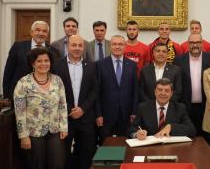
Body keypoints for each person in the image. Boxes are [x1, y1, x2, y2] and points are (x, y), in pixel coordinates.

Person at [13, 48, 68, 169]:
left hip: (55, 130)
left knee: (58, 164)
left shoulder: (57, 80)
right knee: (37, 165)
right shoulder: (23, 83)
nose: (43, 64)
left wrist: (64, 127)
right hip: (33, 132)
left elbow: (62, 105)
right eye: (39, 61)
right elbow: (19, 112)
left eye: (46, 60)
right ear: (33, 63)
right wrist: (23, 136)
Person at [52, 35, 97, 169]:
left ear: (83, 47)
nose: (77, 48)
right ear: (67, 46)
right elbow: (54, 91)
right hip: (65, 118)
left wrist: (82, 108)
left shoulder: (92, 66)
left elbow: (95, 90)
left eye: (80, 45)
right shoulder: (56, 65)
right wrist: (71, 108)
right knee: (63, 155)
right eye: (74, 45)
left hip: (86, 117)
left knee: (87, 154)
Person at [3, 20, 59, 101]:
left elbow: (54, 74)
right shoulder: (18, 47)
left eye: (44, 31)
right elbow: (8, 71)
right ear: (31, 32)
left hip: (44, 97)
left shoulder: (54, 51)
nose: (41, 33)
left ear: (47, 34)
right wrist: (6, 95)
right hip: (18, 94)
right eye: (38, 30)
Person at [95, 35, 138, 138]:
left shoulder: (132, 65)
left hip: (126, 114)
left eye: (120, 44)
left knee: (125, 145)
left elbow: (135, 90)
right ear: (110, 46)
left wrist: (134, 112)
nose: (117, 47)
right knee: (106, 147)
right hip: (106, 115)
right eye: (114, 44)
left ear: (125, 47)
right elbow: (96, 92)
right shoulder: (100, 65)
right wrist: (98, 114)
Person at [129, 78, 196, 139]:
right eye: (160, 90)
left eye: (166, 91)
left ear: (171, 93)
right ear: (155, 92)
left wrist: (171, 127)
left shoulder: (180, 108)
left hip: (172, 148)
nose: (163, 93)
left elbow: (191, 130)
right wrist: (137, 134)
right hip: (149, 148)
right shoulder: (143, 107)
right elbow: (132, 128)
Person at [174, 34, 210, 136]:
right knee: (188, 138)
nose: (195, 45)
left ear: (202, 44)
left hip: (206, 107)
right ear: (188, 44)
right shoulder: (178, 60)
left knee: (205, 139)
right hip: (185, 108)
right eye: (192, 43)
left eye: (198, 42)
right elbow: (176, 84)